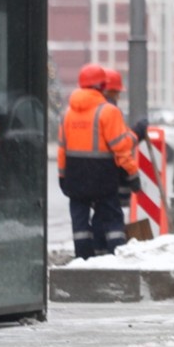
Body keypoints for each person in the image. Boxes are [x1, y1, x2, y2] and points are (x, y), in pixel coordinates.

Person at [57, 63, 140, 260]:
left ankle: (83, 260)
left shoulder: (68, 114)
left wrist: (62, 175)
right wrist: (133, 174)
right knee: (112, 219)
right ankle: (115, 257)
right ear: (102, 86)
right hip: (102, 177)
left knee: (80, 224)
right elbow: (121, 148)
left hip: (75, 178)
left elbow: (62, 149)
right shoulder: (108, 112)